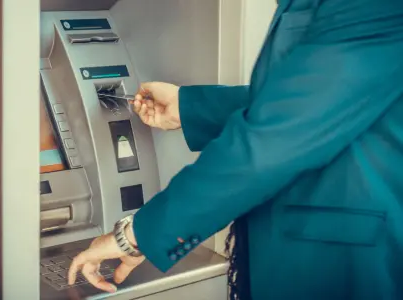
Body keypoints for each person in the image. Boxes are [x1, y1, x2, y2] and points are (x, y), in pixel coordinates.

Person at [68, 0, 403, 299]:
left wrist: (138, 234)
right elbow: (318, 95)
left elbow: (278, 137)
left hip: (343, 264)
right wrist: (190, 106)